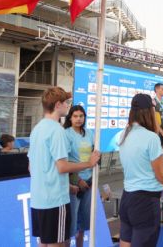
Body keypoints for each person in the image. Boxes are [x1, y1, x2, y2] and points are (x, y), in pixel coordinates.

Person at [28, 87, 100, 247]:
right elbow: (61, 166)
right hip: (55, 200)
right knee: (58, 243)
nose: (68, 105)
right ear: (58, 105)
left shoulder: (36, 129)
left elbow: (31, 168)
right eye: (66, 102)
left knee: (44, 243)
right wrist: (89, 163)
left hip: (38, 199)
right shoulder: (57, 131)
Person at [118, 93, 163, 247]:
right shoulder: (151, 138)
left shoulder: (125, 134)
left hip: (127, 198)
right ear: (149, 112)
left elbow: (146, 159)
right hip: (145, 202)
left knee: (125, 242)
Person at [63, 105, 95, 247]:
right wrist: (78, 180)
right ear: (70, 118)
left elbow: (93, 154)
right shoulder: (66, 134)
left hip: (89, 182)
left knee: (83, 223)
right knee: (71, 224)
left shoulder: (89, 133)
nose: (78, 119)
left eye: (81, 116)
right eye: (75, 116)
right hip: (74, 183)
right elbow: (64, 161)